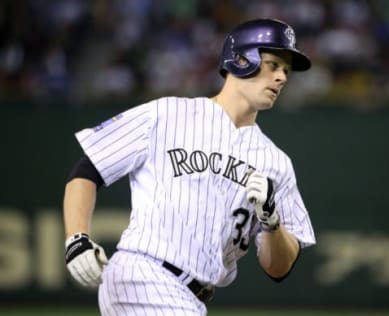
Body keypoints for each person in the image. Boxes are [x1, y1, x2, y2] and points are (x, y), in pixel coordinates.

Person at [63, 18, 316, 316]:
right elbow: (87, 170)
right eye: (273, 64)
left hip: (191, 297)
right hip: (143, 274)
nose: (282, 77)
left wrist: (272, 222)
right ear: (240, 59)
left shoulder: (276, 163)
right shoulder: (169, 113)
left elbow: (278, 268)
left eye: (286, 70)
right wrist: (77, 239)